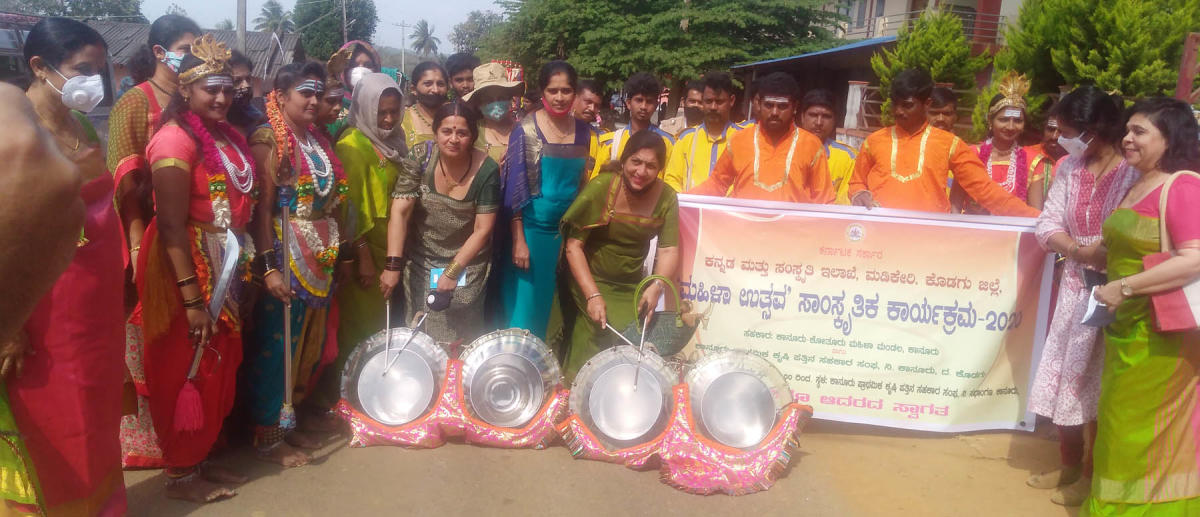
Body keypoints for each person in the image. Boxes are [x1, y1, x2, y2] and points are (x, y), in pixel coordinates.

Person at [1, 17, 125, 515]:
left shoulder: (80, 124)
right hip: (43, 309)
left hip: (97, 311)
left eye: (99, 69)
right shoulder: (17, 140)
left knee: (96, 416)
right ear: (39, 67)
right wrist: (8, 325)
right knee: (52, 421)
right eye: (82, 69)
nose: (94, 81)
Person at [140, 34, 256, 503]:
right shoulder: (172, 139)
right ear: (184, 90)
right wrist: (191, 301)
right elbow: (169, 225)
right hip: (183, 264)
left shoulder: (228, 136)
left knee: (219, 363)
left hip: (225, 259)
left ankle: (200, 456)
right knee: (185, 363)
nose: (222, 97)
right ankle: (181, 474)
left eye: (227, 88)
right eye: (210, 88)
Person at [1089, 97, 1200, 514]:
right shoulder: (1135, 182)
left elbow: (1195, 257)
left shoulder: (1184, 185)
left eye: (1140, 132)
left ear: (1169, 139)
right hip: (1124, 331)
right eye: (1127, 130)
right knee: (1119, 429)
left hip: (1162, 338)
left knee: (1142, 435)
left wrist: (1128, 288)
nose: (1127, 139)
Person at [1028, 86, 1136, 507]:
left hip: (1119, 290)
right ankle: (1069, 463)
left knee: (1100, 383)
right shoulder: (1068, 168)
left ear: (1094, 130)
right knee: (1065, 375)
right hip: (1075, 283)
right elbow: (1047, 223)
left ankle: (1092, 475)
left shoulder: (1133, 172)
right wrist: (1077, 250)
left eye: (1070, 131)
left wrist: (1106, 257)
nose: (1061, 138)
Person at [107, 13, 200, 470]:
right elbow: (124, 174)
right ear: (161, 52)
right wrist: (138, 240)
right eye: (187, 45)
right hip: (144, 230)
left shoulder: (192, 96)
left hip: (188, 232)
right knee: (146, 336)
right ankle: (147, 444)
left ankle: (186, 435)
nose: (194, 53)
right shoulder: (135, 100)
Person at [246, 62, 347, 467]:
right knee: (277, 345)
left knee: (309, 343)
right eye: (305, 92)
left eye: (318, 94)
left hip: (318, 255)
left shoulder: (317, 140)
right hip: (284, 254)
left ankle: (291, 418)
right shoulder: (269, 139)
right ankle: (267, 434)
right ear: (281, 95)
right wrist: (268, 268)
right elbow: (261, 213)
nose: (314, 100)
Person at [313, 73, 406, 412]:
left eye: (394, 111)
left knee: (379, 323)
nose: (388, 119)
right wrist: (363, 254)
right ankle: (348, 397)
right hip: (366, 247)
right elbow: (350, 207)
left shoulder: (393, 141)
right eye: (381, 112)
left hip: (391, 245)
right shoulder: (353, 145)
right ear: (364, 108)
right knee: (360, 326)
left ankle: (370, 393)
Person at [556, 130, 680, 378]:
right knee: (598, 326)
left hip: (631, 284)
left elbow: (668, 249)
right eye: (636, 162)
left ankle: (616, 397)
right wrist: (592, 296)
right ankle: (574, 391)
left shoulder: (667, 197)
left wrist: (656, 287)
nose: (641, 172)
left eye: (651, 166)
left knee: (633, 332)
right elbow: (573, 246)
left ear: (660, 169)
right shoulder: (603, 187)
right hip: (590, 277)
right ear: (624, 160)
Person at [379, 101, 500, 345]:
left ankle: (458, 381)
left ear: (472, 136)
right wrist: (392, 265)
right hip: (423, 260)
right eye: (446, 131)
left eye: (462, 133)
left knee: (460, 336)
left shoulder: (487, 170)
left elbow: (482, 229)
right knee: (421, 332)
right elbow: (400, 211)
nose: (453, 139)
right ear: (436, 133)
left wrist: (453, 271)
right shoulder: (421, 156)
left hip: (467, 264)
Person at [496, 60, 598, 340]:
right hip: (532, 234)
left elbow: (581, 183)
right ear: (542, 92)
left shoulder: (584, 132)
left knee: (565, 310)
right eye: (553, 90)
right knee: (528, 310)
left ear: (575, 92)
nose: (560, 97)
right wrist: (519, 240)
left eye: (566, 90)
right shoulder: (525, 130)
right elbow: (514, 189)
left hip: (570, 236)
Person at [848, 68, 1040, 217]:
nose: (898, 111)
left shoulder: (950, 144)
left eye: (907, 105)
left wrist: (1036, 218)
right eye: (895, 104)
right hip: (880, 236)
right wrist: (858, 194)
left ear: (927, 104)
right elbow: (856, 181)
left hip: (930, 238)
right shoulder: (874, 141)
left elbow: (984, 190)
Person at [688, 72, 833, 204]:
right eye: (769, 105)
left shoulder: (811, 145)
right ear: (759, 104)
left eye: (782, 106)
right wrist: (681, 200)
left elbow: (824, 199)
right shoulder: (739, 140)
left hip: (791, 230)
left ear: (795, 107)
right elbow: (717, 184)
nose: (774, 112)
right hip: (743, 228)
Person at [957, 72, 1045, 212]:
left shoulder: (1032, 160)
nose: (1010, 127)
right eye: (1003, 120)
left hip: (1012, 232)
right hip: (973, 231)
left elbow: (1036, 213)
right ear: (990, 121)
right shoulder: (970, 154)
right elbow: (955, 205)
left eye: (1018, 121)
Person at [663, 71, 745, 192]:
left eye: (719, 102)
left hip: (729, 210)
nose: (713, 107)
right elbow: (671, 179)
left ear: (731, 101)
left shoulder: (743, 139)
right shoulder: (686, 139)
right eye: (708, 101)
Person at [591, 72, 674, 178]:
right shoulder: (612, 143)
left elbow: (669, 183)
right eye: (639, 100)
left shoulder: (668, 143)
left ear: (656, 105)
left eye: (649, 101)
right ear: (629, 103)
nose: (643, 106)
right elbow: (598, 181)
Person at [798, 88, 857, 205]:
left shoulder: (848, 158)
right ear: (802, 117)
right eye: (813, 115)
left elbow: (844, 205)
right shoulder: (785, 150)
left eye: (826, 116)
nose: (819, 122)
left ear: (835, 120)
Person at [463, 62, 524, 165]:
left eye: (501, 98)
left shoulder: (525, 129)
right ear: (479, 104)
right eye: (489, 100)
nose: (496, 104)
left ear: (510, 99)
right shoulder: (472, 133)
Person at [402, 61, 449, 150]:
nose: (435, 90)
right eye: (428, 84)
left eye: (440, 84)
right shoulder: (402, 121)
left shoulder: (456, 117)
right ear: (413, 89)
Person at [226, 49, 264, 137]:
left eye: (248, 79)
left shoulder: (254, 116)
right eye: (237, 81)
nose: (245, 85)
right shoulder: (212, 123)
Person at [1029, 112, 1067, 198]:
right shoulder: (1027, 154)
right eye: (1050, 130)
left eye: (1061, 131)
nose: (1054, 136)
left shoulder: (1077, 161)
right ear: (1043, 130)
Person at [314, 48, 349, 142]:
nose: (338, 107)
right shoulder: (298, 135)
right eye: (331, 101)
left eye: (340, 101)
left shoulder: (321, 132)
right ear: (314, 99)